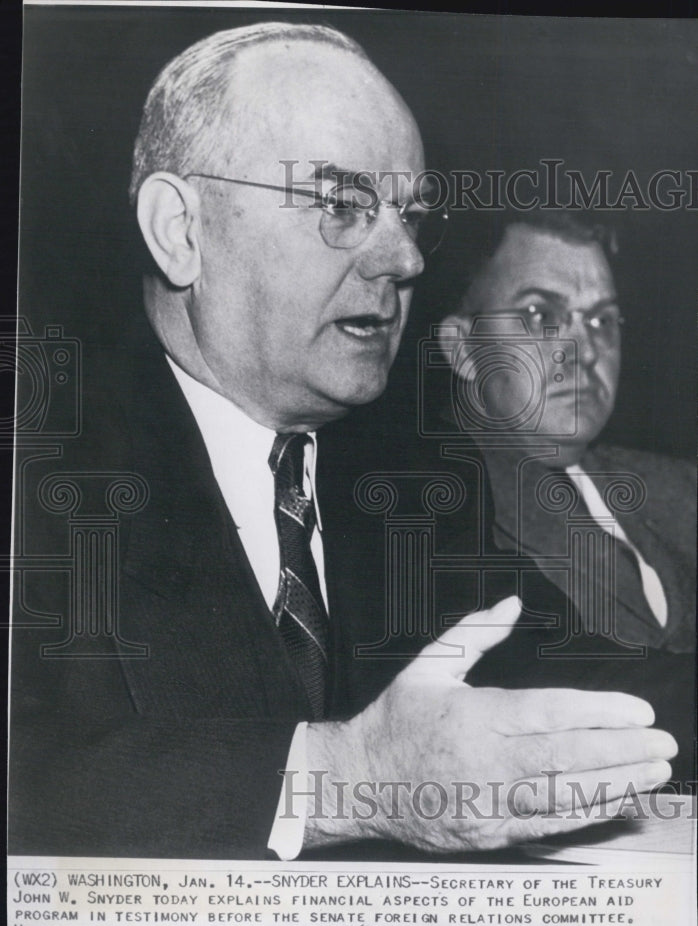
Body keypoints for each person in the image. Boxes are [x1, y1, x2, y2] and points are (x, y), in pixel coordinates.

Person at [9, 24, 677, 862]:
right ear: (181, 229)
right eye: (340, 205)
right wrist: (346, 780)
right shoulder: (36, 461)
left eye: (411, 215)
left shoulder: (406, 465)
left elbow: (568, 677)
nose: (404, 258)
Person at [436, 209, 695, 779]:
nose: (585, 350)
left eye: (602, 320)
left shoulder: (680, 489)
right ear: (464, 348)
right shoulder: (447, 510)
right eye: (541, 315)